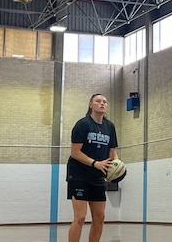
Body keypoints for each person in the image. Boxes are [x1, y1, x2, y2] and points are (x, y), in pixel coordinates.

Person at [67, 93, 119, 242]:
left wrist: (118, 164)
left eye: (104, 101)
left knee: (100, 217)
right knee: (80, 217)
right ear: (90, 105)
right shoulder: (83, 124)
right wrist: (95, 163)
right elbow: (75, 152)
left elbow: (112, 152)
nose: (102, 103)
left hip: (97, 176)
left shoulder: (110, 126)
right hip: (78, 174)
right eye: (98, 101)